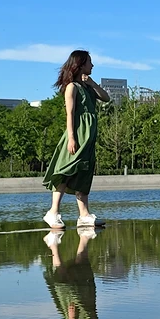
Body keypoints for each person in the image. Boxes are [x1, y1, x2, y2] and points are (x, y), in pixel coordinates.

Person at [42, 49, 110, 228]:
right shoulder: (72, 87)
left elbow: (106, 98)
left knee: (84, 173)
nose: (92, 65)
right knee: (66, 171)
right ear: (80, 64)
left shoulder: (88, 87)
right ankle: (53, 212)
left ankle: (84, 215)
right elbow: (70, 113)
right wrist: (71, 137)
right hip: (77, 135)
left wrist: (94, 84)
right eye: (89, 62)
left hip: (88, 138)